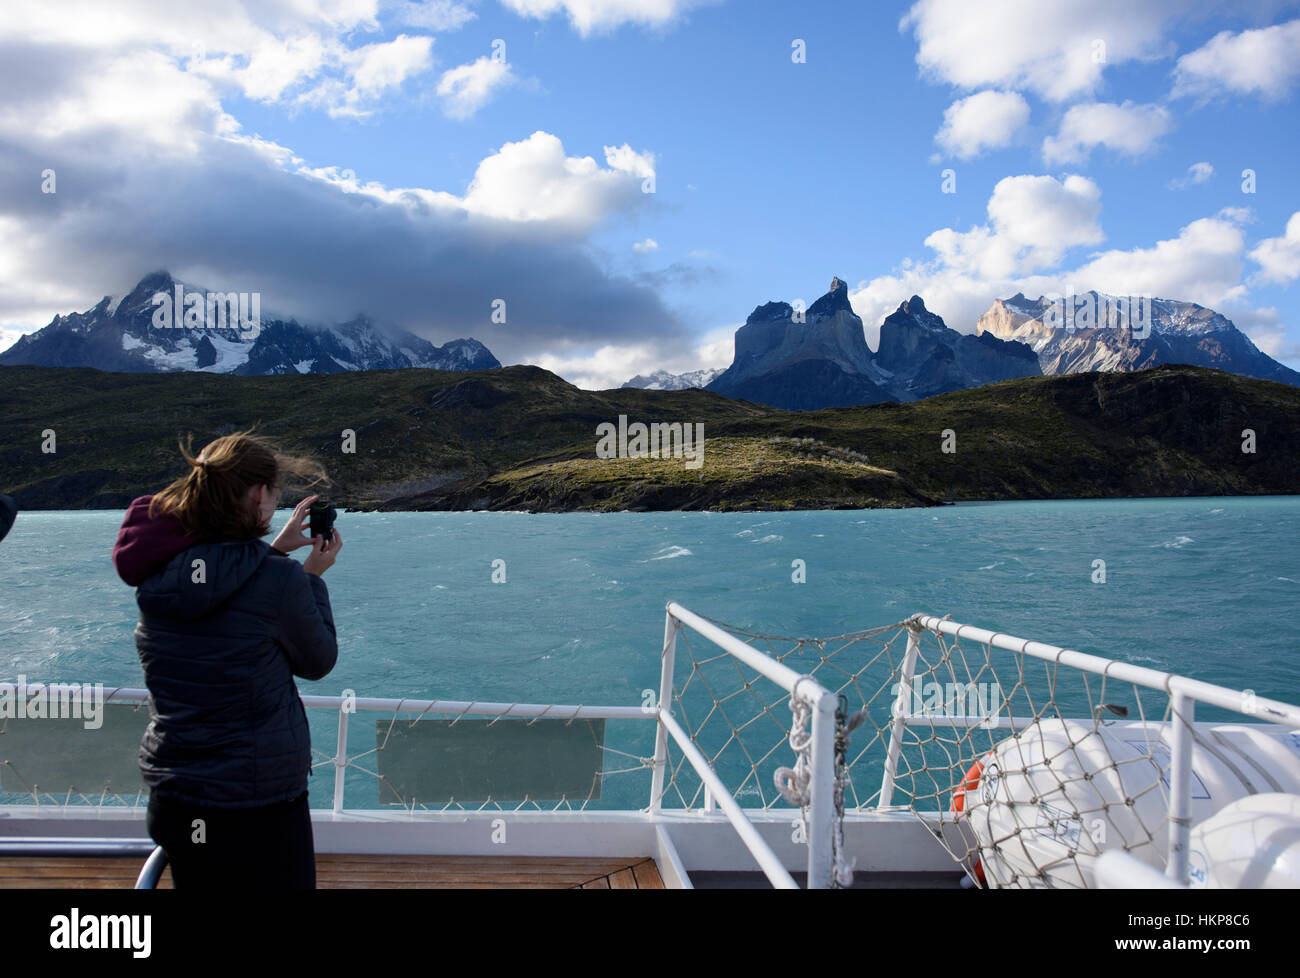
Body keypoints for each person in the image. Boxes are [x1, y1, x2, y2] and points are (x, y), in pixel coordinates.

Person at [111, 430, 343, 889]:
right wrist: (311, 577)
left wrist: (274, 552)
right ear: (260, 493)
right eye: (274, 494)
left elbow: (219, 599)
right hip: (257, 804)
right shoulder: (280, 582)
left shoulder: (160, 572)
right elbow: (318, 660)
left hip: (177, 795)